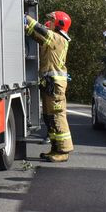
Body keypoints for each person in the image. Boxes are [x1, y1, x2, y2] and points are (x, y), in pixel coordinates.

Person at [26, 10, 73, 162]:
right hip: (50, 84)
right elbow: (39, 36)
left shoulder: (59, 39)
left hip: (55, 85)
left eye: (52, 20)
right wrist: (28, 30)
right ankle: (55, 148)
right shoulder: (54, 39)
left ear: (59, 24)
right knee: (49, 117)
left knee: (57, 116)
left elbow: (42, 31)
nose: (50, 23)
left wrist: (25, 18)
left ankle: (64, 151)